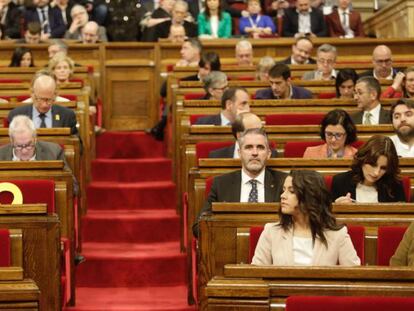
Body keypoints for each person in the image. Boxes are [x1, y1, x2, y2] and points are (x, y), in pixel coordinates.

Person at [252, 170, 361, 266]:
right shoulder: (271, 231)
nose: (282, 196)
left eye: (291, 191)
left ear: (309, 196)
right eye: (283, 190)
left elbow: (354, 275)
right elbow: (256, 275)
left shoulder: (338, 234)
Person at [193, 128, 287, 237]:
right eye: (248, 147)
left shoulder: (284, 182)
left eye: (260, 147)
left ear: (268, 154)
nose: (255, 153)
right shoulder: (221, 184)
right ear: (239, 153)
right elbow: (198, 227)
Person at [332, 135, 406, 203]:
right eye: (372, 165)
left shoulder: (395, 186)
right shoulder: (340, 182)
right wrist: (337, 208)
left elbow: (401, 216)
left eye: (383, 168)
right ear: (362, 159)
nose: (376, 173)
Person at [8, 71, 78, 135]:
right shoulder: (16, 115)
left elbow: (76, 145)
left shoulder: (67, 116)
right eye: (39, 99)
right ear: (32, 94)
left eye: (49, 100)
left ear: (55, 95)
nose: (44, 105)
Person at [0, 115, 71, 168]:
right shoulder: (1, 155)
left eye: (28, 145)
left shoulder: (54, 152)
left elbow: (70, 183)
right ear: (11, 141)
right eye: (19, 146)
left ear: (35, 138)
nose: (24, 151)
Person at [209, 112, 278, 158]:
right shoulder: (217, 156)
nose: (260, 135)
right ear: (239, 135)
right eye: (253, 131)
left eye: (261, 130)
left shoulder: (272, 154)